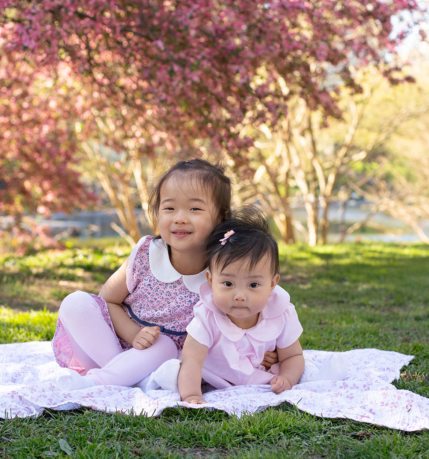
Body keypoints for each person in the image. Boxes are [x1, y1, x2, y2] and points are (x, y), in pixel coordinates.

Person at [51, 160, 277, 390]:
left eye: (194, 209)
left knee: (164, 346)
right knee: (75, 303)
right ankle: (126, 378)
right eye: (169, 208)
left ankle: (99, 383)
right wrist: (133, 335)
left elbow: (255, 308)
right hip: (109, 349)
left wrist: (266, 349)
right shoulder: (146, 254)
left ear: (221, 217)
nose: (179, 218)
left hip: (168, 360)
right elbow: (107, 300)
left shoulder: (227, 269)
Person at [176, 207, 305, 404]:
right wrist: (192, 394)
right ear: (210, 280)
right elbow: (192, 359)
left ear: (272, 284)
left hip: (260, 378)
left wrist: (287, 378)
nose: (239, 296)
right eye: (228, 284)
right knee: (170, 373)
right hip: (213, 378)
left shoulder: (281, 313)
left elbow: (293, 355)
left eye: (253, 285)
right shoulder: (207, 317)